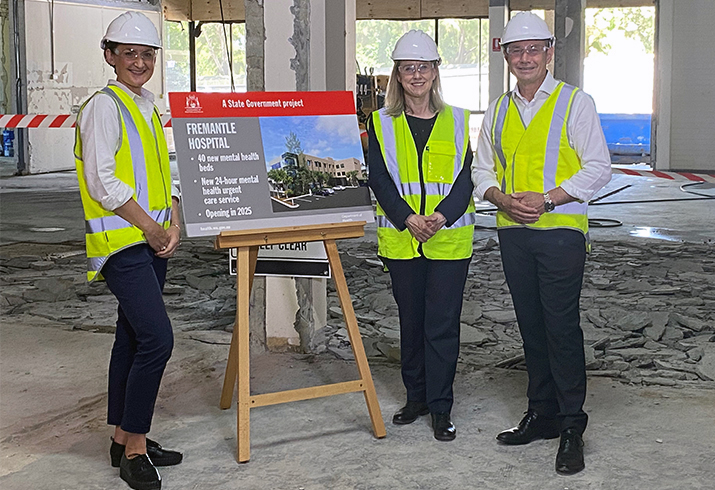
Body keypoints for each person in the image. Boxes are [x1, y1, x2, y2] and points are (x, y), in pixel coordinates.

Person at [472, 12, 611, 475]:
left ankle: (572, 424)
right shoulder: (497, 109)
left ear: (549, 53)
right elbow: (482, 170)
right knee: (531, 326)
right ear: (506, 56)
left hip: (561, 233)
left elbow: (598, 168)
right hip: (514, 233)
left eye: (535, 49)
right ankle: (542, 414)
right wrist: (499, 197)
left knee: (561, 327)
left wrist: (548, 199)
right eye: (517, 50)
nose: (526, 57)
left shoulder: (575, 103)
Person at [74, 11, 183, 490]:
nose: (139, 62)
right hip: (123, 242)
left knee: (133, 339)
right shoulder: (104, 106)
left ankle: (122, 436)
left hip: (152, 240)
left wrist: (173, 220)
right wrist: (150, 228)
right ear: (109, 56)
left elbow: (165, 176)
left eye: (146, 54)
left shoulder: (147, 105)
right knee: (158, 339)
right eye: (129, 53)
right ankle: (135, 450)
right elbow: (103, 182)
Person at [368, 30, 476, 442]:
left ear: (435, 71)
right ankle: (416, 398)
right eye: (408, 68)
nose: (416, 75)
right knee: (411, 322)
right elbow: (378, 178)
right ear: (397, 74)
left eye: (424, 67)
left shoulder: (460, 120)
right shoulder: (379, 122)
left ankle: (441, 407)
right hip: (402, 238)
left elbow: (467, 179)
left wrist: (442, 216)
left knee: (443, 325)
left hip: (448, 239)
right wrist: (408, 217)